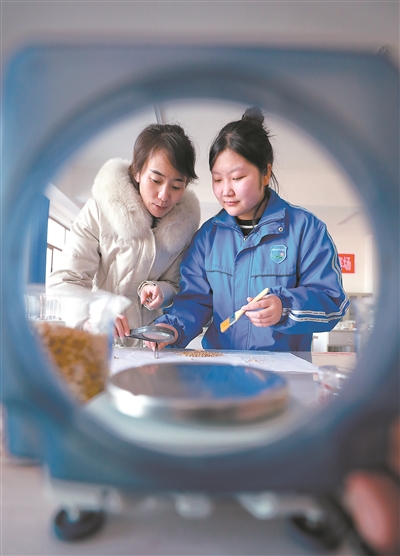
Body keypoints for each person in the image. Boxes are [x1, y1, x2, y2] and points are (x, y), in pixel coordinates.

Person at [147, 107, 349, 352]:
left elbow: (332, 303)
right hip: (222, 368)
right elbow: (194, 301)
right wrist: (172, 328)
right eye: (217, 179)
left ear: (266, 173)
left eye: (237, 178)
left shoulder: (306, 230)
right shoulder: (208, 238)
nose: (226, 190)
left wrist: (285, 307)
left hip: (284, 370)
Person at [48, 123, 200, 344]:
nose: (164, 196)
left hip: (150, 345)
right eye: (156, 180)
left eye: (176, 186)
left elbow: (177, 285)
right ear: (137, 172)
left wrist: (160, 290)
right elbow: (65, 280)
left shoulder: (184, 227)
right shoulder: (99, 210)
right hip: (101, 341)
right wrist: (94, 315)